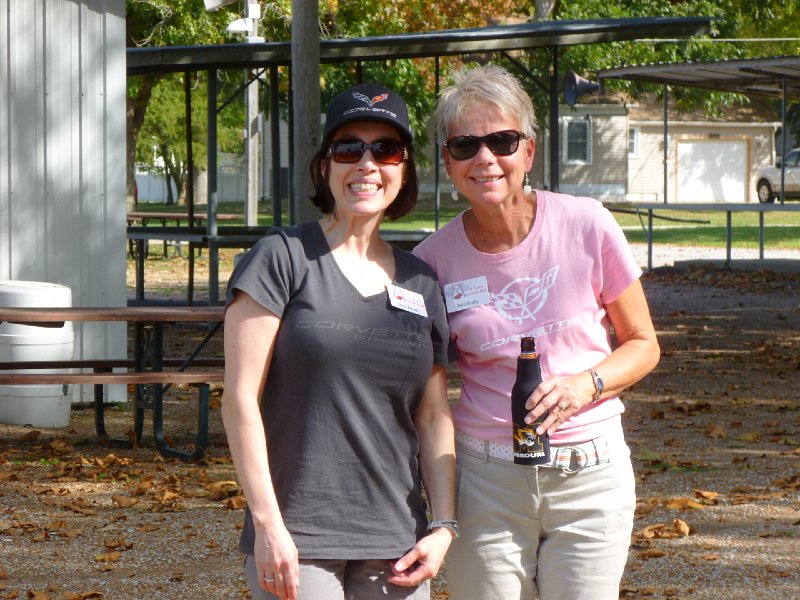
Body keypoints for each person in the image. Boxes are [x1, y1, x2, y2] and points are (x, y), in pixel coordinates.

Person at [413, 64, 660, 600]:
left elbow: (644, 345)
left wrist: (584, 385)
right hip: (485, 483)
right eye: (464, 145)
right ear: (448, 163)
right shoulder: (430, 263)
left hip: (590, 474)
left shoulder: (587, 224)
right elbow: (421, 391)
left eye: (501, 140)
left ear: (528, 150)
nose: (485, 158)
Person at [222, 83, 456, 600]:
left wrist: (443, 527)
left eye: (386, 150)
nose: (367, 164)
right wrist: (267, 525)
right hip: (299, 536)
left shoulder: (422, 281)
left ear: (404, 170)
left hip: (398, 540)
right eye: (349, 148)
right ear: (325, 167)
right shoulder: (282, 258)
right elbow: (240, 400)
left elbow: (434, 415)